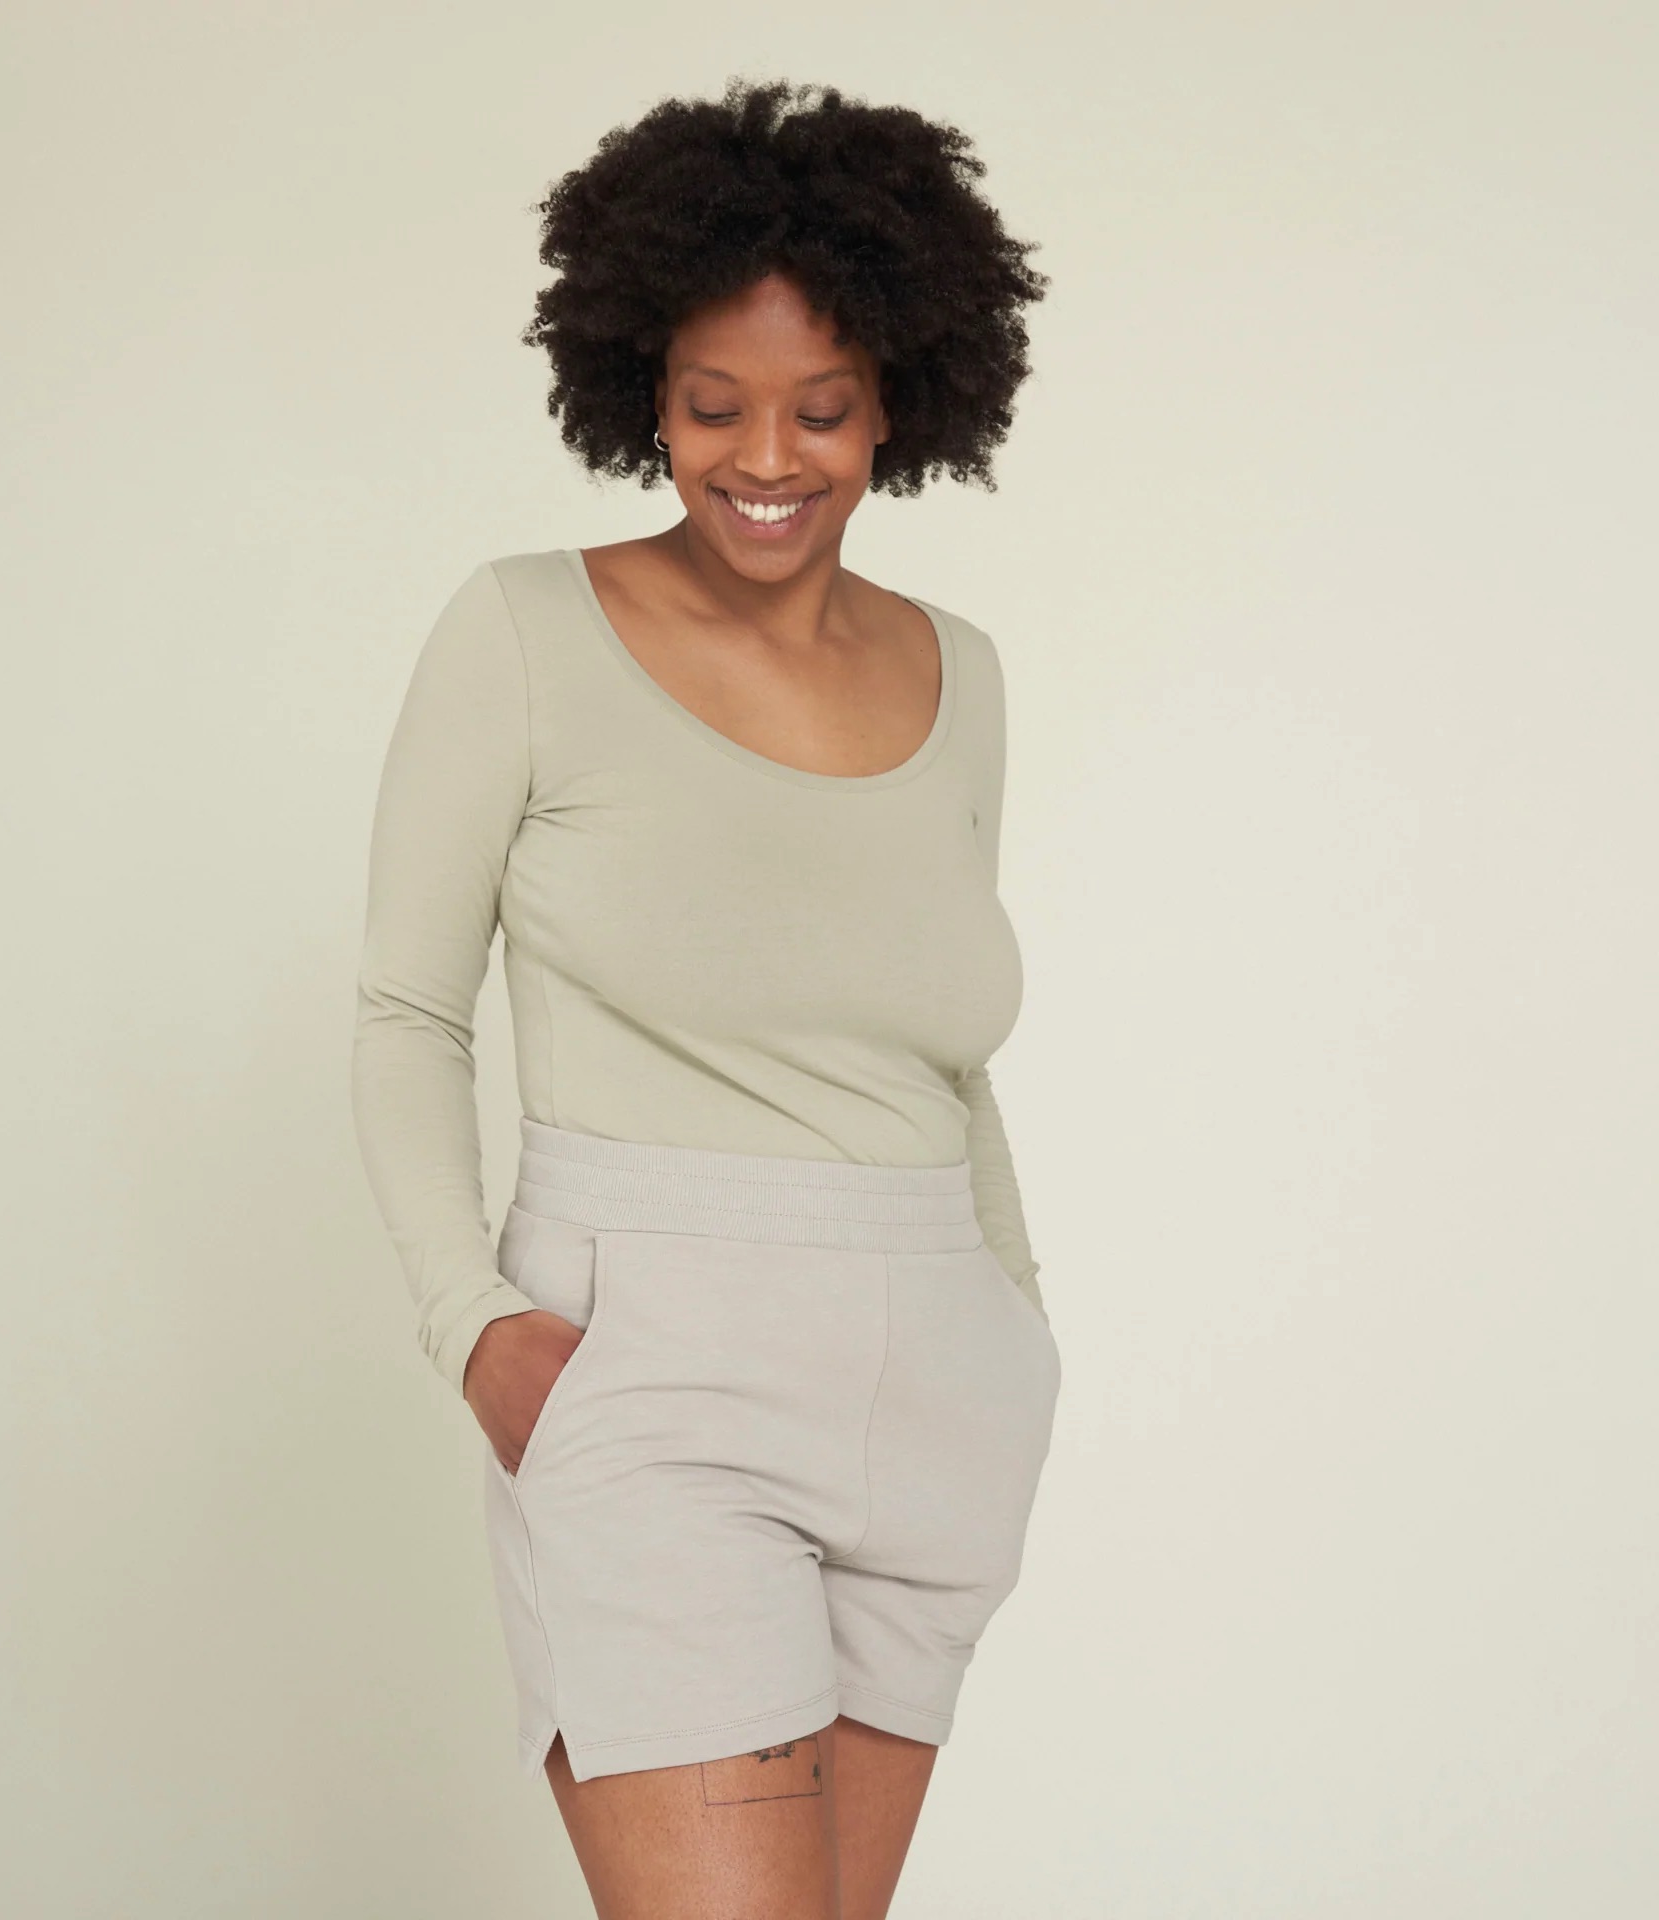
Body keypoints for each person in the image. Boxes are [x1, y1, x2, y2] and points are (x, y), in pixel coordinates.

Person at [351, 76, 1061, 1920]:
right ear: (641, 393)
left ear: (898, 398)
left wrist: (1020, 1318)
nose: (766, 456)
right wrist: (472, 1324)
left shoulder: (962, 671)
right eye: (711, 402)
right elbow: (410, 1012)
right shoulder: (526, 631)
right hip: (654, 1370)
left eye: (822, 406)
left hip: (940, 1387)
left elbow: (946, 1050)